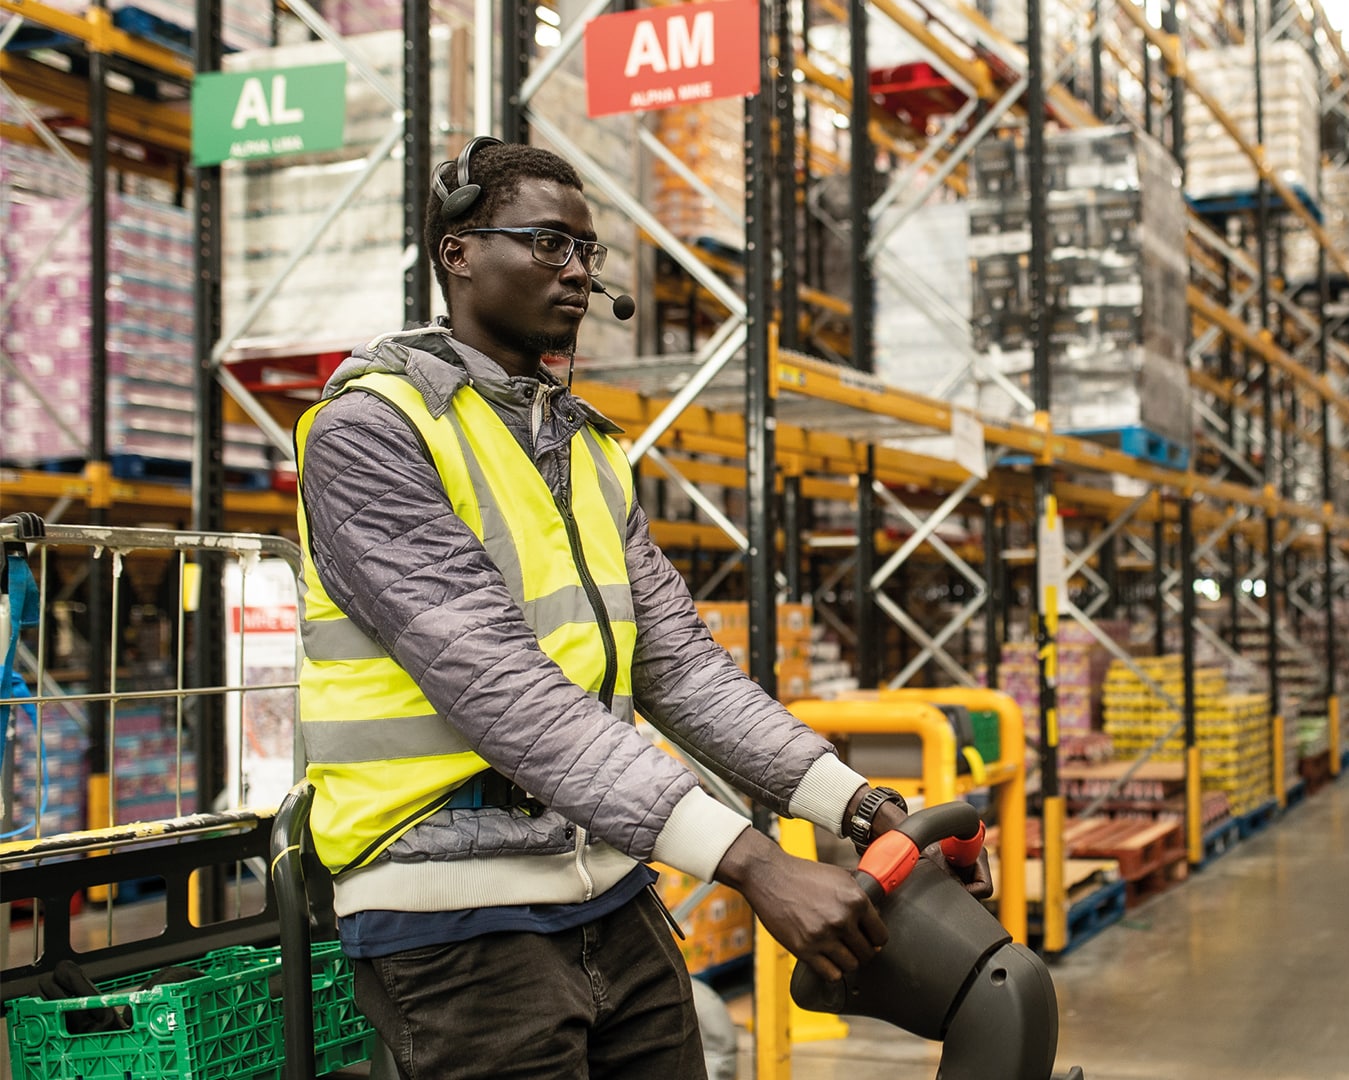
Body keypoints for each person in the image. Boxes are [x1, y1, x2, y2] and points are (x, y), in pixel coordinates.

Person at [294, 137, 988, 1079]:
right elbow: (501, 688)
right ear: (456, 253)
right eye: (548, 244)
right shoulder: (370, 432)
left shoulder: (585, 450)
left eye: (588, 252)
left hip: (608, 892)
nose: (578, 273)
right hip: (450, 917)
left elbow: (685, 670)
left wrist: (860, 806)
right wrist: (750, 861)